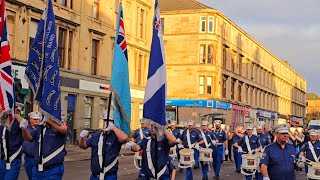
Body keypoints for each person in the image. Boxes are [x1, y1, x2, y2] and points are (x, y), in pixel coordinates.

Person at [78, 109, 127, 180]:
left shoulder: (116, 137)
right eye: (105, 120)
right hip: (95, 175)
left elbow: (124, 138)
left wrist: (113, 127)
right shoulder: (96, 136)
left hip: (109, 175)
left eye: (110, 121)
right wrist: (82, 137)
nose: (107, 123)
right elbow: (83, 145)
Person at [19, 113, 67, 179]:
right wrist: (24, 129)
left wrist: (47, 119)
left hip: (53, 170)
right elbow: (28, 138)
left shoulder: (58, 129)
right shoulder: (40, 128)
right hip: (37, 170)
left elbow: (63, 129)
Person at [0, 103, 25, 180]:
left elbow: (24, 123)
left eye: (17, 112)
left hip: (13, 159)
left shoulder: (19, 124)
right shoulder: (3, 124)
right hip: (2, 159)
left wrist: (14, 114)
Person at [22, 111, 41, 179]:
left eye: (37, 119)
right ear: (30, 120)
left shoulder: (41, 129)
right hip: (28, 158)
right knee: (30, 176)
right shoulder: (26, 129)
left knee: (35, 177)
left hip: (37, 158)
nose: (36, 121)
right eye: (34, 119)